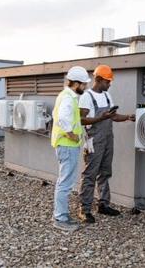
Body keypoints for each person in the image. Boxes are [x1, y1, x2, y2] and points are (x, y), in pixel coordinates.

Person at [78, 64, 135, 223]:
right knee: (90, 174)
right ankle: (85, 209)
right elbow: (81, 119)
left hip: (108, 138)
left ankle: (103, 204)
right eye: (107, 82)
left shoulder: (107, 96)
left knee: (105, 172)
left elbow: (113, 116)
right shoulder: (86, 97)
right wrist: (100, 118)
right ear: (98, 79)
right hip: (94, 139)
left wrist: (128, 117)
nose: (109, 84)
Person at [51, 66, 91, 231]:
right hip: (67, 145)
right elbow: (63, 118)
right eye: (84, 84)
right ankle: (60, 218)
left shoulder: (68, 96)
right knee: (65, 182)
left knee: (65, 181)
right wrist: (71, 134)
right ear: (76, 83)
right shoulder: (68, 97)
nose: (86, 87)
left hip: (68, 145)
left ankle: (62, 214)